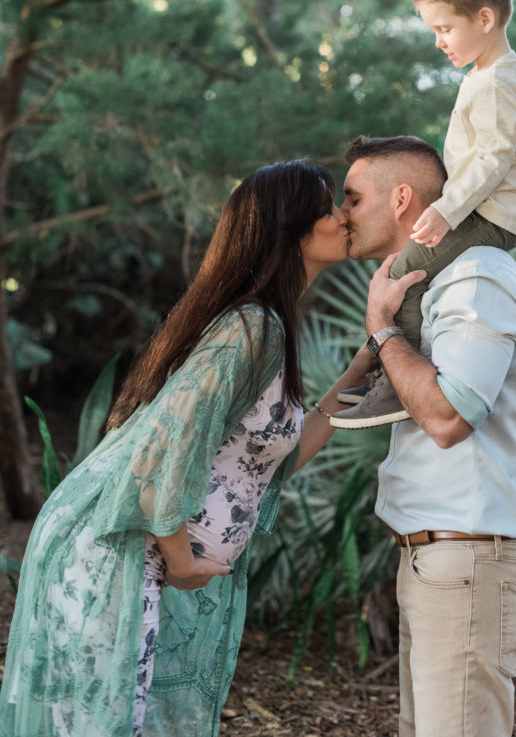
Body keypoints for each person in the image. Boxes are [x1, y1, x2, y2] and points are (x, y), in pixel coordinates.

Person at [0, 159, 365, 737]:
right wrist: (181, 561)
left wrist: (369, 361)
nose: (344, 217)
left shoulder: (267, 327)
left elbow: (270, 464)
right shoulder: (253, 328)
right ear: (287, 229)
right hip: (118, 554)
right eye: (328, 209)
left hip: (143, 556)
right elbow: (160, 447)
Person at [325, 135, 516, 737]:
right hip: (437, 561)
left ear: (401, 199)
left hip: (471, 559)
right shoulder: (427, 289)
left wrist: (382, 330)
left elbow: (449, 417)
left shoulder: (477, 276)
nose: (343, 212)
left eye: (353, 197)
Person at [333, 0, 516, 428]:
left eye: (444, 29)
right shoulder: (487, 76)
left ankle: (392, 389)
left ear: (484, 18)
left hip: (487, 218)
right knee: (410, 271)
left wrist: (447, 208)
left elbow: (492, 160)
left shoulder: (495, 84)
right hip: (482, 213)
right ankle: (391, 377)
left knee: (406, 272)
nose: (438, 42)